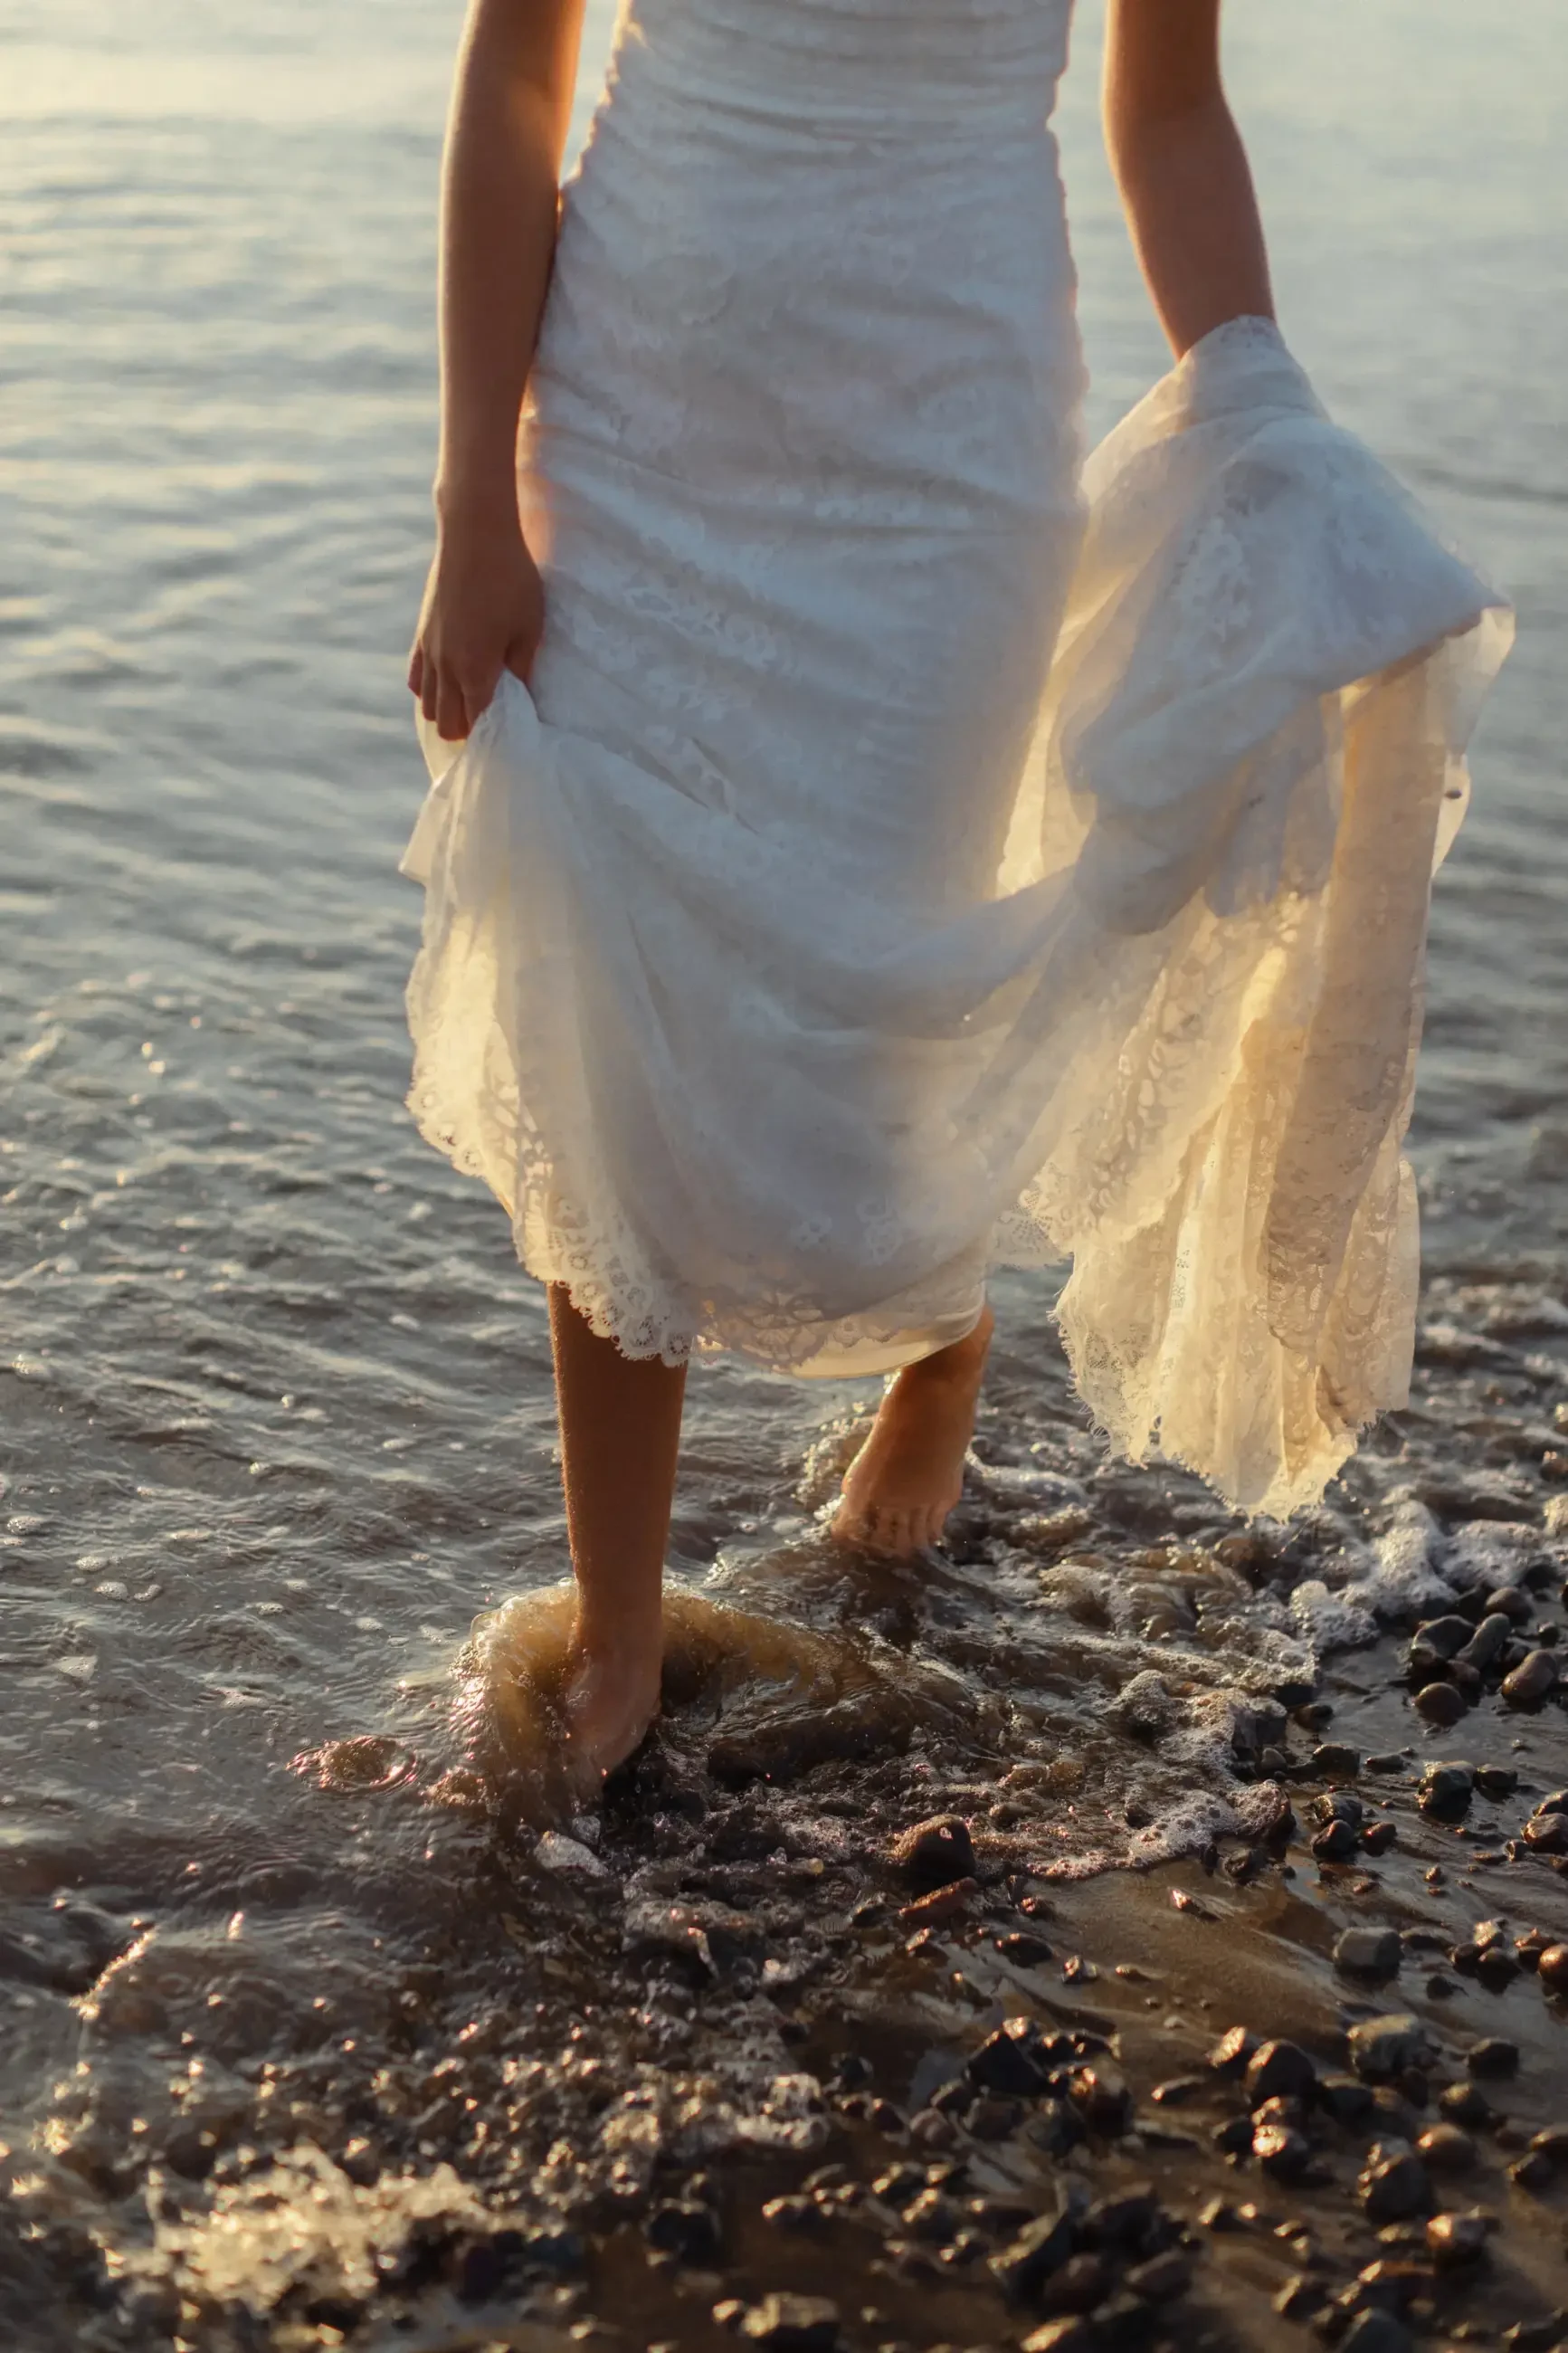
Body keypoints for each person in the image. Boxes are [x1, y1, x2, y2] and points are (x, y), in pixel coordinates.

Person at [403, 0, 1507, 1787]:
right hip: (632, 408)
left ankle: (946, 1336)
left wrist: (1259, 407)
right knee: (617, 985)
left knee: (864, 1018)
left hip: (947, 449)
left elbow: (1164, 113)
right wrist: (470, 496)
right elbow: (517, 67)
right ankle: (615, 1625)